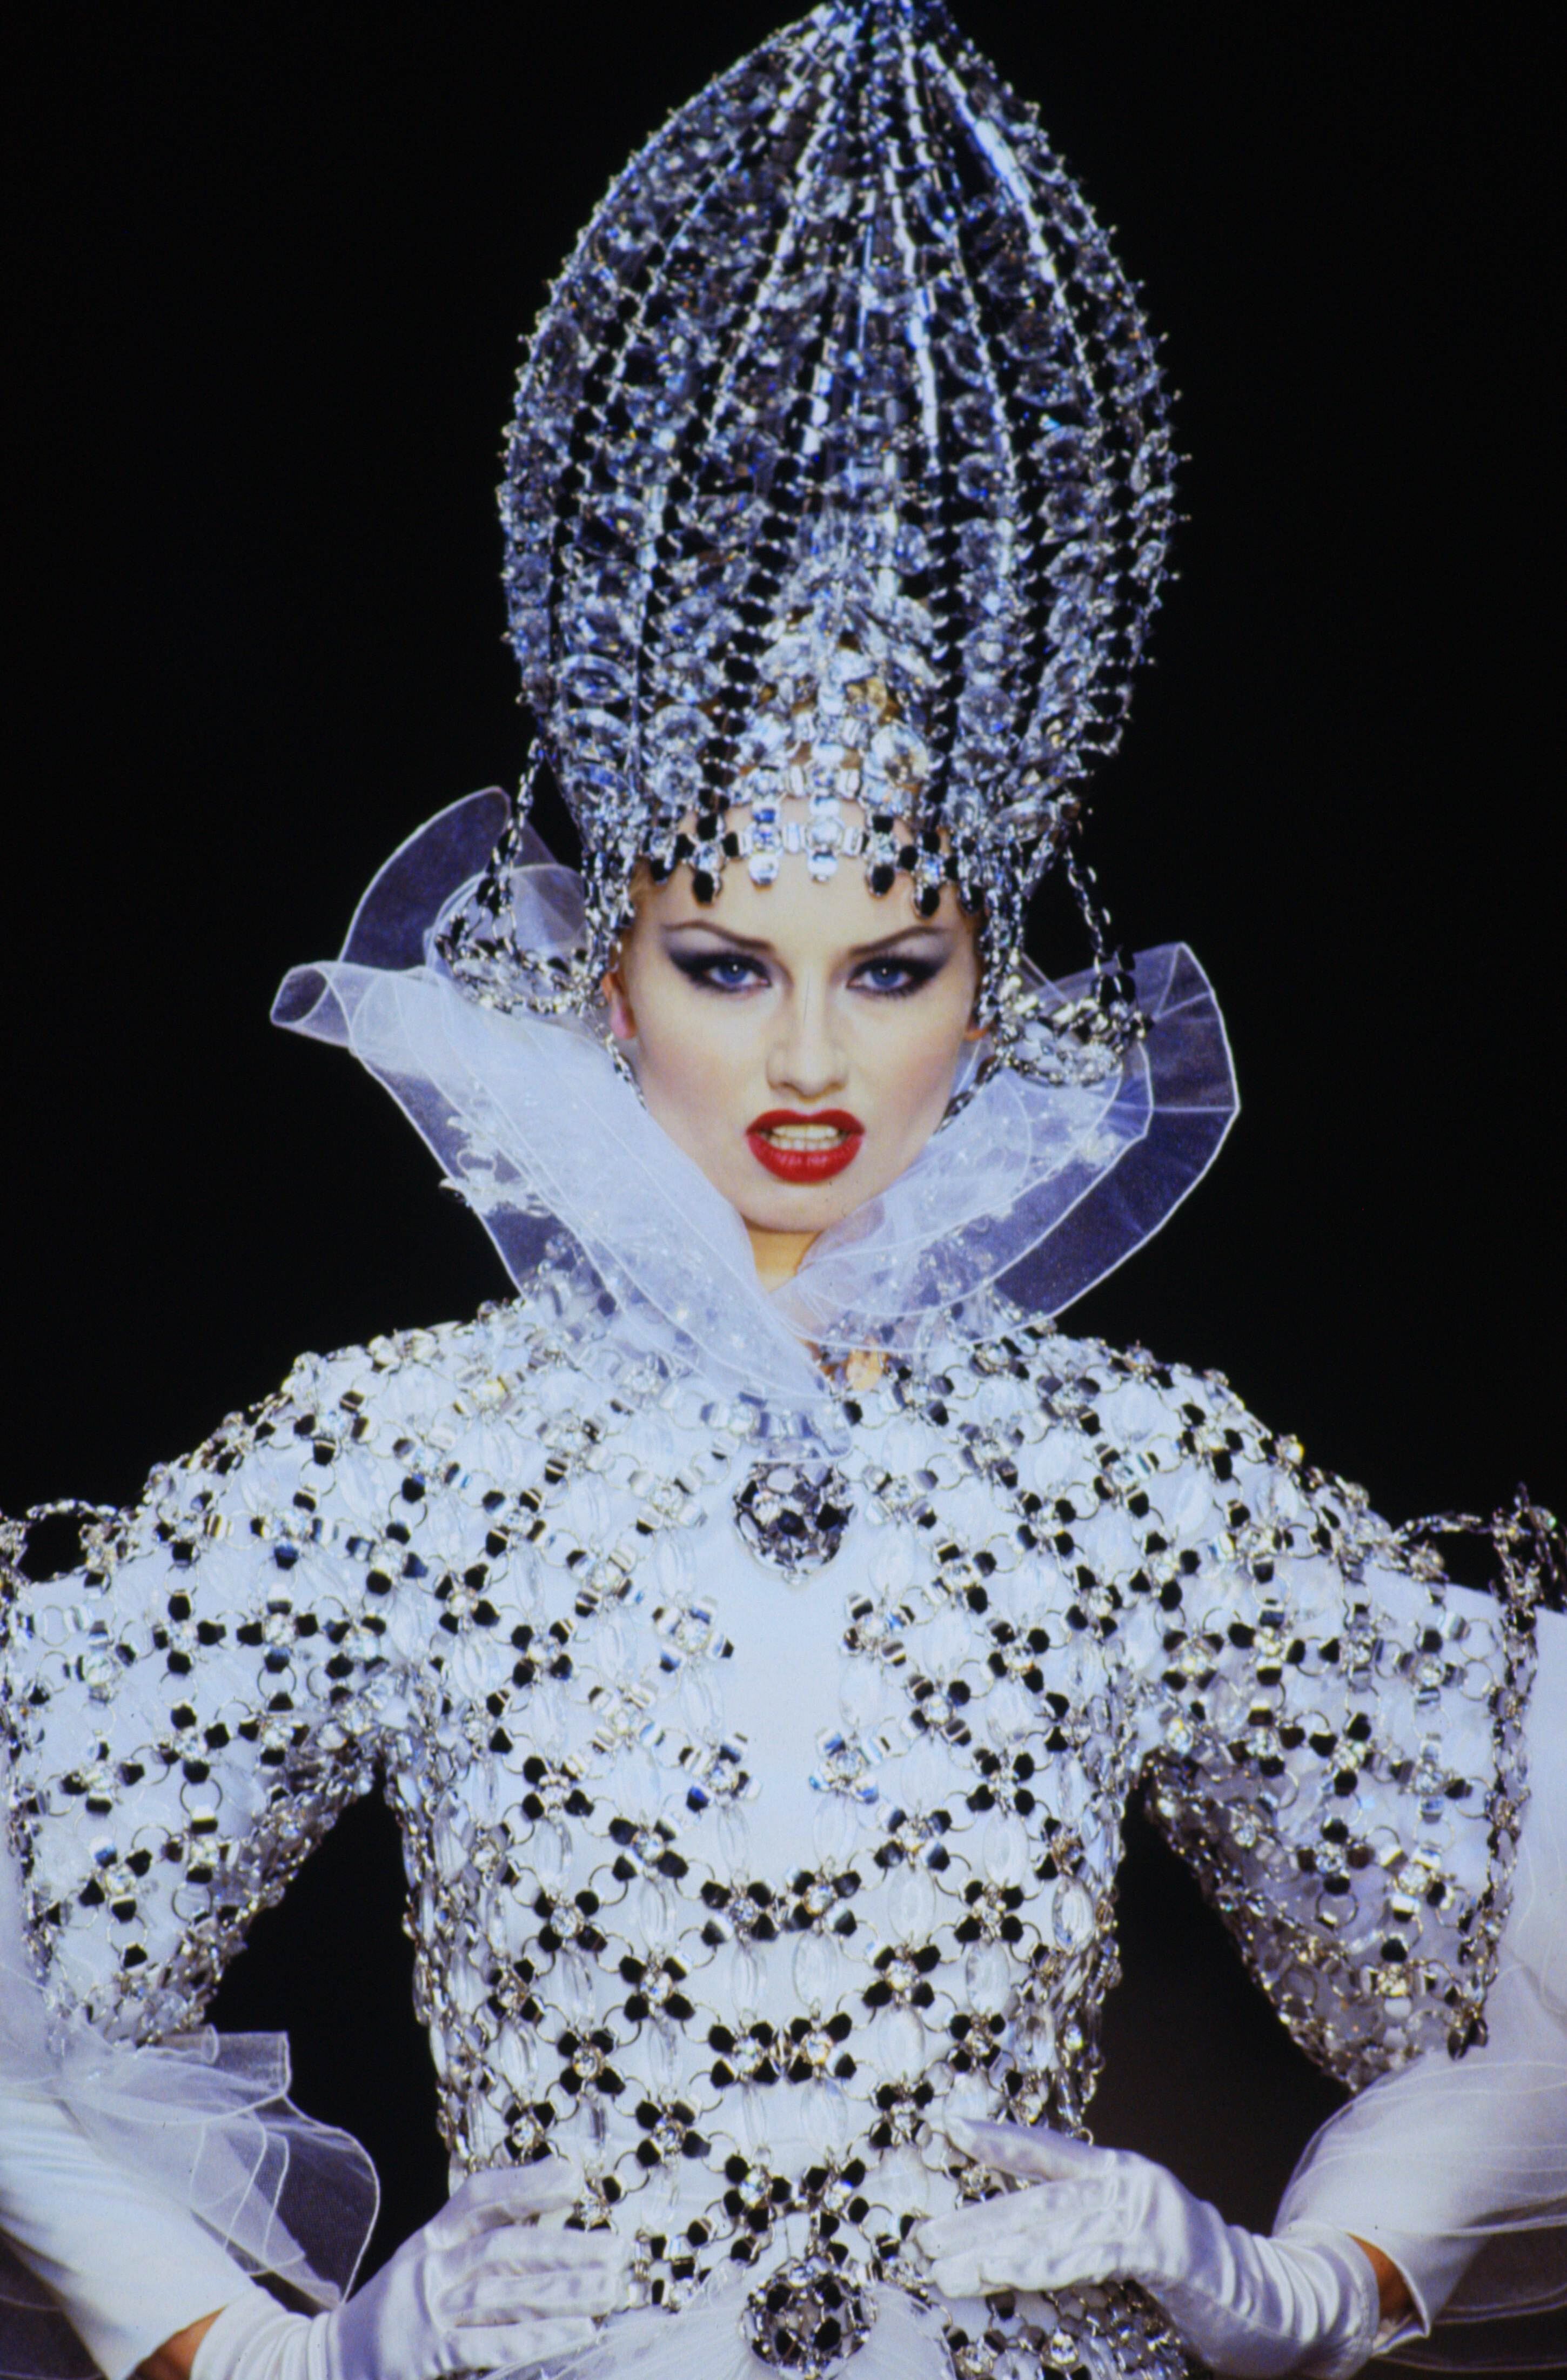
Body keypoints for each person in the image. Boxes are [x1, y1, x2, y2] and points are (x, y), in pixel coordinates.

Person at [2, 6, 1563, 2380]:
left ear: (989, 983)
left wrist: (1285, 2288)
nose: (812, 1062)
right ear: (603, 971)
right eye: (727, 964)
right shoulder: (401, 1458)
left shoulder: (1130, 1476)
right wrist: (298, 2355)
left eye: (891, 967)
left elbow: (1515, 1987)